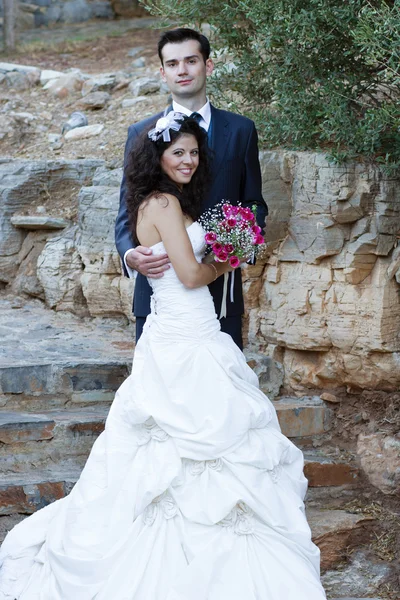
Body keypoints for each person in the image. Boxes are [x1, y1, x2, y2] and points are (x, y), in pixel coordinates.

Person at [0, 113, 326, 600]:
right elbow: (192, 276)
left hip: (190, 329)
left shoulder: (163, 202)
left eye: (194, 152)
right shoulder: (163, 204)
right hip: (183, 332)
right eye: (179, 153)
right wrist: (228, 258)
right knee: (189, 434)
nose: (189, 160)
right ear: (158, 157)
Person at [115, 27, 268, 350]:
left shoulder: (241, 130)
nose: (182, 70)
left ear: (207, 66)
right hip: (162, 293)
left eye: (190, 61)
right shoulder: (142, 132)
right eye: (172, 64)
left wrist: (241, 243)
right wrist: (131, 256)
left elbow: (254, 202)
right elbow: (126, 210)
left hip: (222, 289)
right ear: (162, 72)